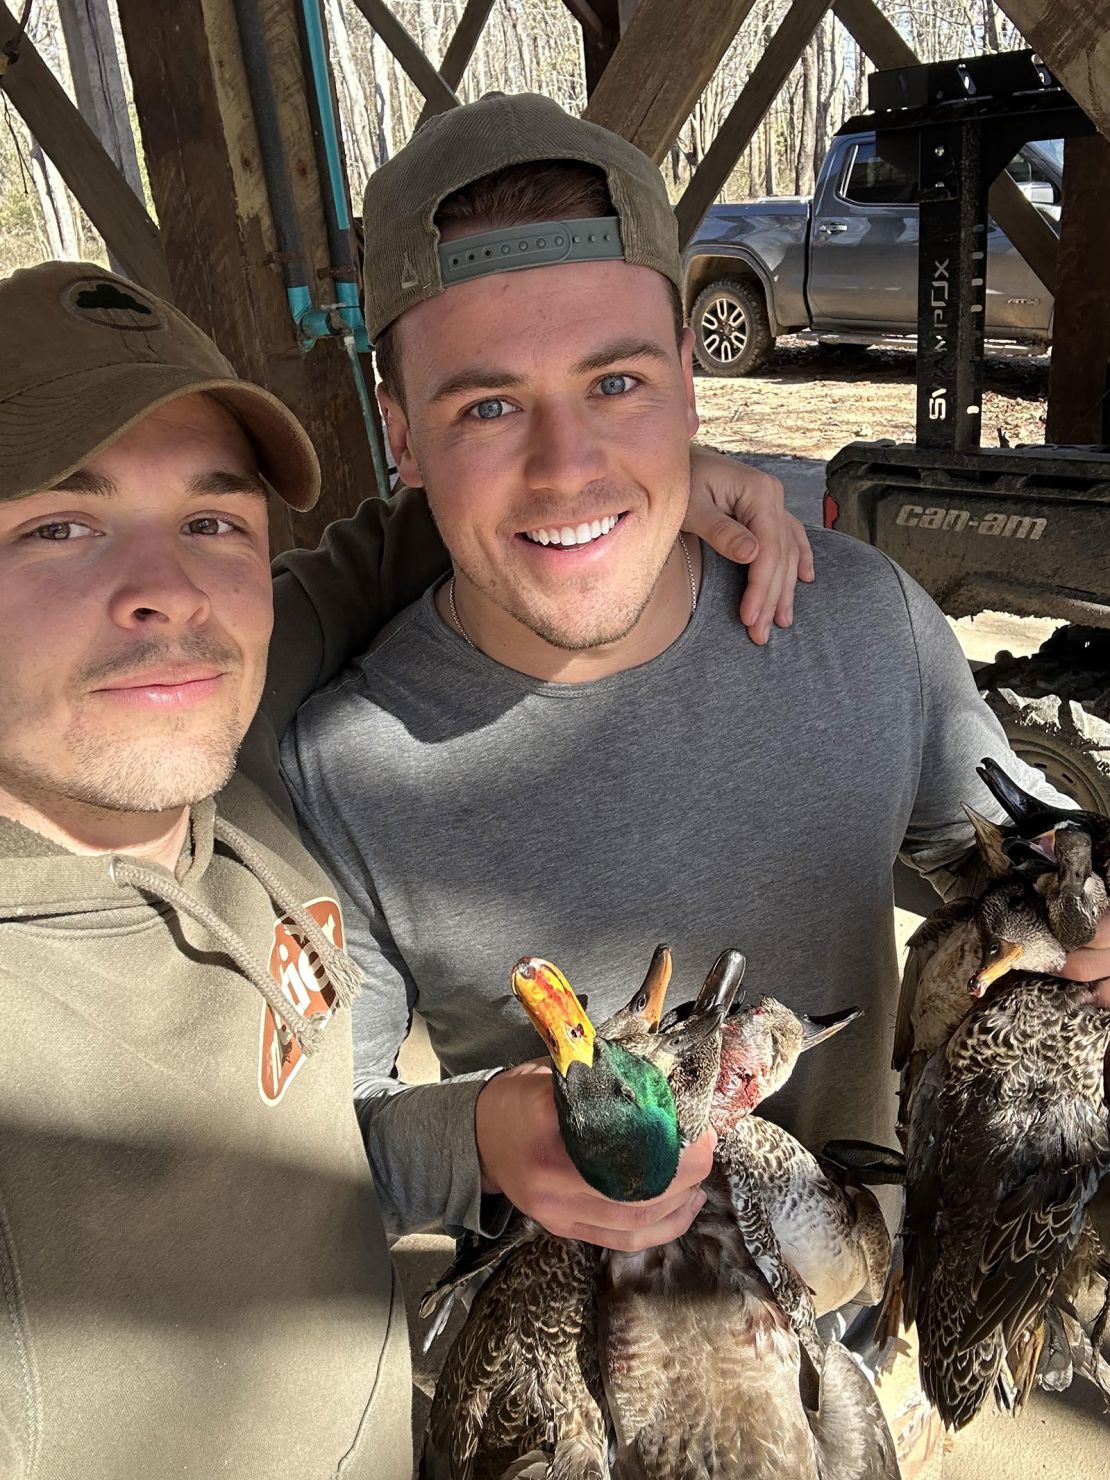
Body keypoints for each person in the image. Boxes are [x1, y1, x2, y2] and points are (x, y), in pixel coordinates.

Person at [0, 258, 801, 1479]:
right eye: (59, 525)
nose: (169, 592)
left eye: (213, 519)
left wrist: (631, 490)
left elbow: (390, 547)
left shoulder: (239, 739)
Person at [281, 92, 1110, 1261]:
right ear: (399, 432)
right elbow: (323, 1141)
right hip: (583, 1389)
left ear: (689, 373)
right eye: (488, 404)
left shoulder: (865, 621)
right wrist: (477, 1135)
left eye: (616, 383)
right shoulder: (340, 765)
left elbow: (1009, 876)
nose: (566, 469)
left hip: (859, 1328)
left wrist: (1084, 921)